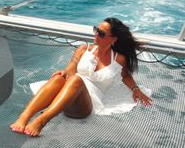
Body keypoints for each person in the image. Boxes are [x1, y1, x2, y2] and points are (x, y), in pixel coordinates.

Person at [10, 17, 152, 137]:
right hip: (67, 95)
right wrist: (65, 72)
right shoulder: (84, 49)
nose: (96, 35)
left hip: (86, 104)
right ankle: (24, 117)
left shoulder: (119, 59)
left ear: (113, 39)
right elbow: (71, 67)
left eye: (101, 34)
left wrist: (135, 89)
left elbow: (125, 76)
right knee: (60, 77)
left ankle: (41, 120)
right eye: (96, 30)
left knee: (76, 79)